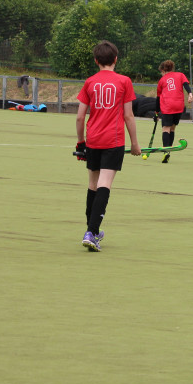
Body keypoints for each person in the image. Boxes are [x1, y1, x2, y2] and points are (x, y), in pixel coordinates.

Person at [74, 40, 141, 252]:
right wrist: (135, 144)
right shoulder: (124, 81)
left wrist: (81, 142)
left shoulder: (90, 82)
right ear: (116, 59)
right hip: (113, 141)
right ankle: (91, 232)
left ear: (96, 61)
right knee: (104, 184)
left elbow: (79, 117)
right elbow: (128, 116)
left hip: (93, 140)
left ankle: (92, 232)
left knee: (92, 185)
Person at [155, 60, 193, 163]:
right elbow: (186, 85)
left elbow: (158, 99)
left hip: (168, 106)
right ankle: (169, 151)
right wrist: (190, 94)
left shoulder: (162, 80)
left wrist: (156, 113)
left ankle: (166, 151)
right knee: (172, 128)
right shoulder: (180, 75)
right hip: (179, 106)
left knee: (165, 129)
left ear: (163, 70)